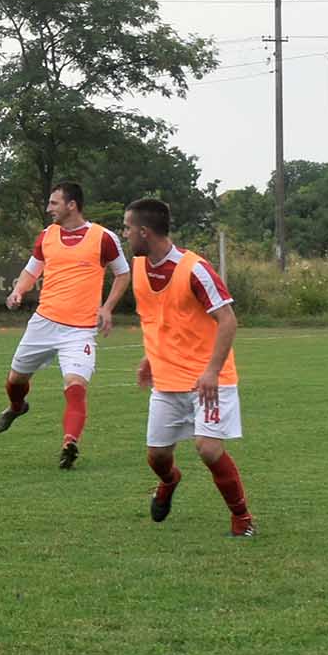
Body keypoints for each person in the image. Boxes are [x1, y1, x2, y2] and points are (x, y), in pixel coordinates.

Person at [121, 199, 254, 537]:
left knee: (208, 448)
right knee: (157, 457)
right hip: (167, 379)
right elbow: (160, 318)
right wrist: (151, 357)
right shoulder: (139, 267)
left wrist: (211, 371)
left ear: (144, 232)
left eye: (127, 228)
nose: (124, 234)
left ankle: (242, 518)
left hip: (209, 379)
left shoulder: (195, 268)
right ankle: (169, 481)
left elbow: (228, 320)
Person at [0, 181, 133, 470]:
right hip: (44, 323)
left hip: (80, 329)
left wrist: (107, 307)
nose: (48, 208)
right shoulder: (47, 236)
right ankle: (18, 407)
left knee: (75, 385)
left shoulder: (103, 238)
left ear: (72, 205)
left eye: (54, 203)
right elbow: (31, 271)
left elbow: (123, 274)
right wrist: (18, 290)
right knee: (15, 380)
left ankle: (70, 443)